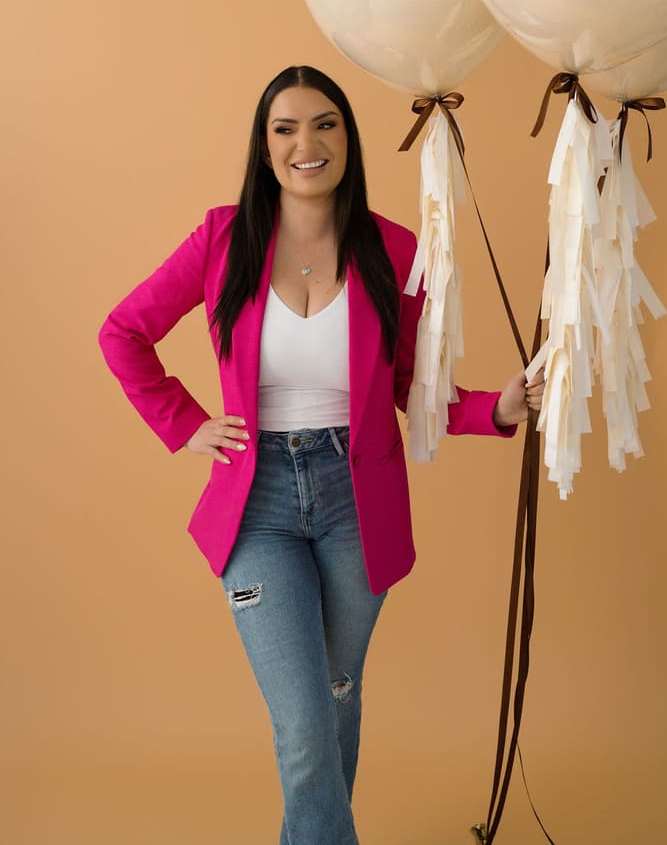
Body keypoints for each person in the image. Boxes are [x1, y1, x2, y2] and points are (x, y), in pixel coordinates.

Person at [99, 64, 544, 845]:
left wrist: (496, 409)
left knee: (337, 692)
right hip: (258, 501)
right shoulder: (222, 238)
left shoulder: (395, 248)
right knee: (304, 721)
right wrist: (185, 422)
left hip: (355, 499)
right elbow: (123, 332)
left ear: (348, 136)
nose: (307, 142)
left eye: (325, 123)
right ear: (265, 145)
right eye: (286, 127)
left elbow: (410, 385)